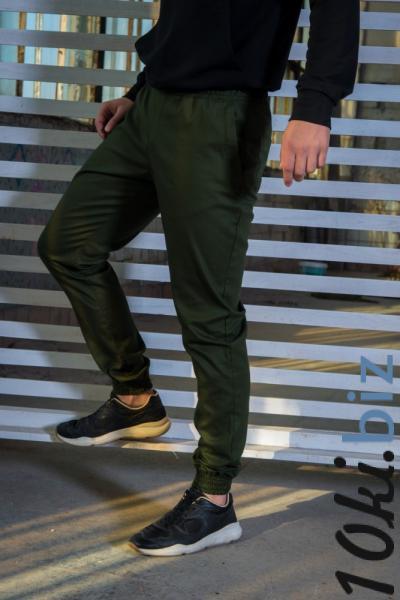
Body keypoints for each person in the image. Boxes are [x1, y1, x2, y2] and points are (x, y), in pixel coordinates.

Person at [37, 0, 360, 556]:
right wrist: (140, 90)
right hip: (153, 105)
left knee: (208, 309)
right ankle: (135, 397)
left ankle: (213, 499)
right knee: (67, 247)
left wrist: (315, 107)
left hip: (219, 115)